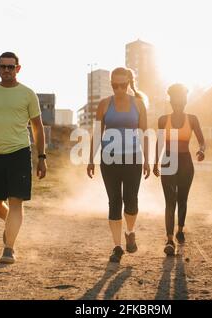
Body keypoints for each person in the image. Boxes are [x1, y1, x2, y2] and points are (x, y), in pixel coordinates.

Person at [0, 52, 47, 264]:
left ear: (18, 69)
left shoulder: (27, 94)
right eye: (3, 66)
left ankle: (9, 248)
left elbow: (37, 127)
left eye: (10, 67)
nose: (6, 70)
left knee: (15, 203)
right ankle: (12, 224)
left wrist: (42, 156)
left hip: (20, 154)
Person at [87, 67, 150, 263]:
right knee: (114, 201)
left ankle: (130, 232)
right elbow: (97, 133)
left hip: (133, 158)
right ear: (111, 84)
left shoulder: (139, 105)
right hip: (109, 158)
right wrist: (91, 158)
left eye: (123, 85)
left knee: (131, 200)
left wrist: (147, 160)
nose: (119, 89)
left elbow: (144, 134)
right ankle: (117, 247)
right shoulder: (105, 104)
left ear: (129, 83)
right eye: (115, 86)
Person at [153, 83, 205, 256]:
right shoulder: (162, 120)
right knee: (170, 200)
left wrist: (202, 150)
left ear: (185, 100)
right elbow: (160, 142)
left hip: (185, 162)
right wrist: (155, 162)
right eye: (175, 98)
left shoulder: (192, 119)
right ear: (170, 100)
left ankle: (180, 230)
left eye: (182, 98)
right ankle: (169, 240)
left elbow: (202, 141)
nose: (178, 101)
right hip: (168, 160)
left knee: (182, 199)